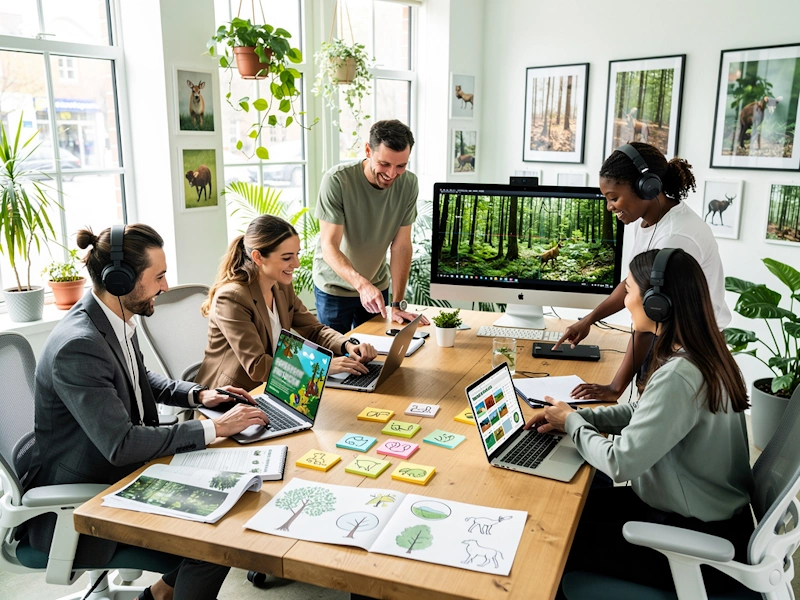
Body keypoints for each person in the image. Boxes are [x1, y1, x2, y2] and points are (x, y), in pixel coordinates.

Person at [22, 224, 269, 600]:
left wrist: (200, 396)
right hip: (92, 495)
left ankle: (154, 596)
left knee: (233, 495)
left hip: (123, 470)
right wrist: (213, 431)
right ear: (120, 281)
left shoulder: (112, 317)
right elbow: (121, 444)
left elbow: (139, 379)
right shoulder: (79, 346)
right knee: (216, 540)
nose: (166, 286)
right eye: (159, 277)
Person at [529, 248, 754, 594]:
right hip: (706, 518)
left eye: (629, 288)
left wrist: (574, 425)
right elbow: (643, 413)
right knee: (560, 513)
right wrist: (575, 417)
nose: (625, 298)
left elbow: (621, 463)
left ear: (657, 304)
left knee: (552, 544)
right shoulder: (704, 354)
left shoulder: (681, 374)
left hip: (693, 544)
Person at [554, 142, 732, 401]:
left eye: (614, 197)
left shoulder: (675, 237)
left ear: (646, 186)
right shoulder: (648, 220)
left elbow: (651, 319)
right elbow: (632, 283)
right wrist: (589, 319)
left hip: (691, 352)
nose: (609, 207)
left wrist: (615, 388)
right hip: (671, 343)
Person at [195, 214, 379, 392]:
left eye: (296, 255)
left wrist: (348, 345)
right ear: (258, 257)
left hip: (274, 384)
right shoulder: (232, 298)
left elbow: (315, 330)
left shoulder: (281, 287)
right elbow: (257, 366)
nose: (297, 263)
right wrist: (321, 366)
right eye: (287, 257)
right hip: (232, 395)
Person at [312, 119, 430, 333]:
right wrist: (362, 285)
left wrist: (397, 303)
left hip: (377, 286)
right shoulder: (337, 181)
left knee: (376, 355)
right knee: (335, 358)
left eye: (401, 166)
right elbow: (329, 245)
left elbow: (401, 246)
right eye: (384, 164)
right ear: (368, 150)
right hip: (335, 289)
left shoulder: (409, 184)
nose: (392, 173)